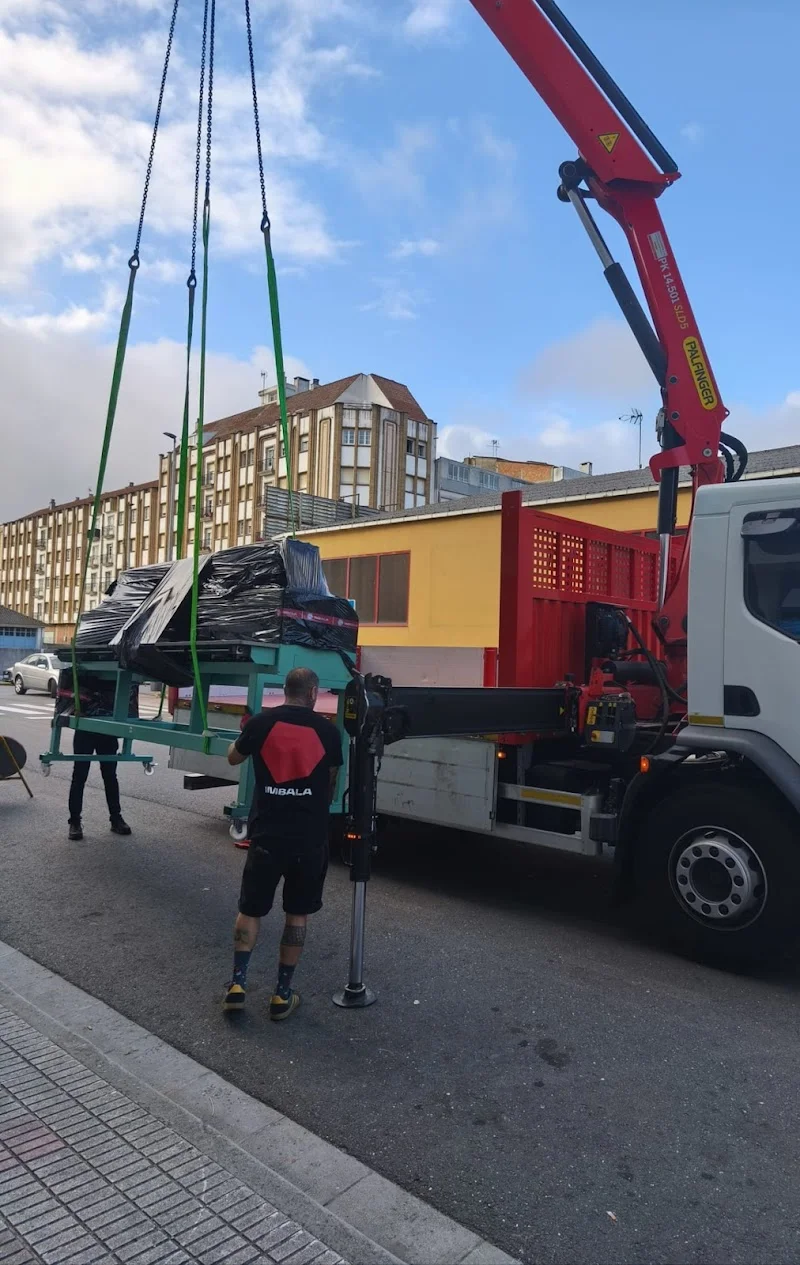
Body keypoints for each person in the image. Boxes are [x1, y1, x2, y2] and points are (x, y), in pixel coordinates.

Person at [224, 666, 343, 1021]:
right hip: (308, 837)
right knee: (297, 914)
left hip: (267, 835)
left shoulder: (261, 724)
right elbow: (331, 779)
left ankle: (237, 985)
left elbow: (233, 757)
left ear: (285, 690)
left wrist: (244, 736)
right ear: (313, 693)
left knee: (250, 909)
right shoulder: (328, 731)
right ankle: (281, 994)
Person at [62, 669, 133, 842]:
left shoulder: (116, 672)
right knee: (79, 775)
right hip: (85, 728)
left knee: (110, 775)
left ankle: (116, 818)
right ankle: (75, 822)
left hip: (107, 728)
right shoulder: (85, 671)